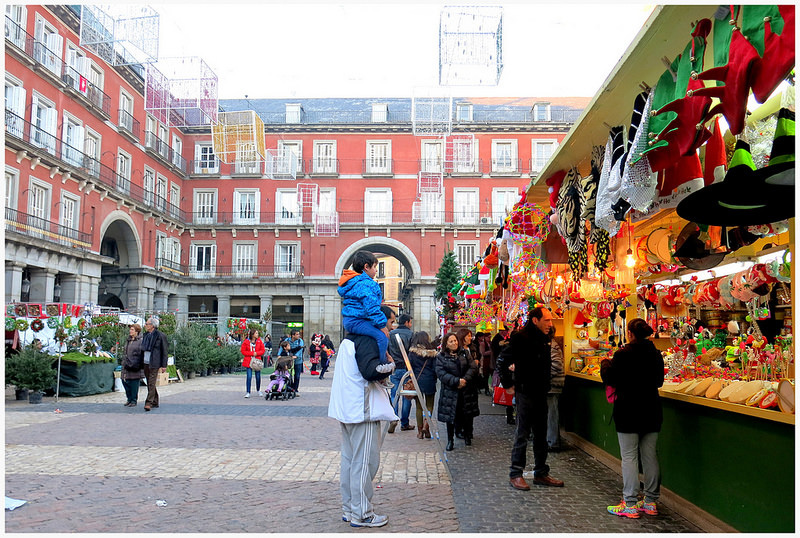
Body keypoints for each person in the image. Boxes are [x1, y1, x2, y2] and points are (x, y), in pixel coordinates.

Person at [328, 305, 397, 528]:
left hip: (349, 409)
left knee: (350, 461)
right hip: (362, 410)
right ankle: (362, 513)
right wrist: (390, 366)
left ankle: (350, 508)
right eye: (389, 321)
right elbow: (370, 371)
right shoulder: (366, 339)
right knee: (364, 463)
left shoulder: (350, 339)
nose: (389, 325)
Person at [601, 318, 665, 519]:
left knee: (629, 456)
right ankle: (650, 501)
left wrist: (605, 363)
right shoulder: (656, 354)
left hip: (628, 410)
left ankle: (630, 503)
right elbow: (659, 381)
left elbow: (610, 378)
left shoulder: (622, 354)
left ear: (629, 333)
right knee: (650, 455)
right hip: (651, 409)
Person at [497, 306, 564, 489]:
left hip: (542, 392)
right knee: (523, 433)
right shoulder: (521, 337)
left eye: (551, 320)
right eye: (547, 320)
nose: (550, 324)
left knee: (541, 434)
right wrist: (508, 384)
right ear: (535, 320)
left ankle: (541, 473)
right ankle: (515, 473)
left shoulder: (545, 339)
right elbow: (502, 360)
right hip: (525, 392)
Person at [337, 250, 389, 363]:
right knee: (382, 337)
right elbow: (371, 307)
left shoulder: (353, 283)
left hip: (350, 320)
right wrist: (382, 325)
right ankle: (381, 365)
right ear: (366, 267)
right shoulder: (367, 284)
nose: (376, 270)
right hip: (358, 320)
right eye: (375, 267)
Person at [435, 332, 480, 451]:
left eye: (455, 340)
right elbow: (441, 373)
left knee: (465, 414)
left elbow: (473, 367)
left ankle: (466, 436)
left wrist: (464, 380)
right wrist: (456, 381)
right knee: (451, 417)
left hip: (465, 390)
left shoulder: (465, 353)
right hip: (450, 391)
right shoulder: (441, 357)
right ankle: (450, 440)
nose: (454, 343)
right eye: (451, 341)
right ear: (446, 344)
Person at [387, 313, 414, 433]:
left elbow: (387, 351)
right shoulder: (411, 334)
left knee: (394, 395)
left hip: (394, 368)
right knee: (407, 396)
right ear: (407, 322)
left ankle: (393, 418)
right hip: (407, 368)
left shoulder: (391, 334)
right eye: (410, 322)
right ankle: (404, 423)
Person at [408, 331, 437, 439]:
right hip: (429, 380)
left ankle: (420, 432)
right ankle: (426, 426)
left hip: (417, 381)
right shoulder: (433, 353)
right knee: (429, 405)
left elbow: (409, 367)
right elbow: (435, 369)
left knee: (419, 407)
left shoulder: (412, 353)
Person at [141, 317, 168, 412]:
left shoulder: (160, 336)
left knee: (151, 382)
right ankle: (155, 400)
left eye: (147, 324)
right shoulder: (146, 335)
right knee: (149, 382)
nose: (145, 325)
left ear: (152, 325)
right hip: (145, 361)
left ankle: (148, 402)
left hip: (154, 362)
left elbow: (164, 351)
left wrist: (164, 365)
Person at [547, 328, 565, 451]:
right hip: (550, 385)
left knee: (551, 415)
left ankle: (553, 443)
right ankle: (551, 441)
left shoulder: (552, 347)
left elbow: (557, 365)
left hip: (553, 385)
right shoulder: (550, 345)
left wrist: (544, 376)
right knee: (550, 414)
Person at [491, 329, 515, 424]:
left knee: (512, 400)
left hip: (511, 378)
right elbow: (501, 363)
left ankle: (511, 416)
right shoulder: (507, 347)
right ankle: (511, 416)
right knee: (511, 399)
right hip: (511, 377)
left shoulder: (507, 347)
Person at [121, 323, 144, 407]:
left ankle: (133, 400)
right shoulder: (128, 340)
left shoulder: (140, 341)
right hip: (126, 365)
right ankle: (129, 398)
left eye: (132, 329)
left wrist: (136, 361)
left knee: (134, 383)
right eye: (130, 329)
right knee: (125, 381)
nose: (130, 331)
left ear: (137, 331)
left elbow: (141, 353)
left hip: (135, 365)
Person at [241, 329, 266, 398]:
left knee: (258, 376)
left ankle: (258, 390)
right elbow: (243, 351)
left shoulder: (259, 341)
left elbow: (263, 350)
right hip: (249, 361)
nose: (257, 334)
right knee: (249, 376)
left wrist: (257, 353)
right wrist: (251, 353)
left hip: (257, 361)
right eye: (256, 333)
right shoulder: (246, 342)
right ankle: (248, 392)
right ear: (252, 334)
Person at [476, 331, 493, 396]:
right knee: (486, 375)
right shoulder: (483, 344)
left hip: (490, 361)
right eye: (488, 337)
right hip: (485, 361)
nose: (489, 338)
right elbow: (482, 352)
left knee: (490, 375)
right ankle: (486, 389)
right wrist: (491, 352)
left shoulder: (490, 343)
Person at [288, 329, 305, 395]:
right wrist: (279, 354)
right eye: (297, 334)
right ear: (293, 335)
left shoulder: (300, 341)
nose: (299, 335)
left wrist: (296, 356)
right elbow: (282, 347)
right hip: (289, 361)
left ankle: (296, 389)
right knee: (288, 375)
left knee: (297, 376)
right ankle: (291, 388)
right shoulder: (287, 340)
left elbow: (300, 350)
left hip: (298, 361)